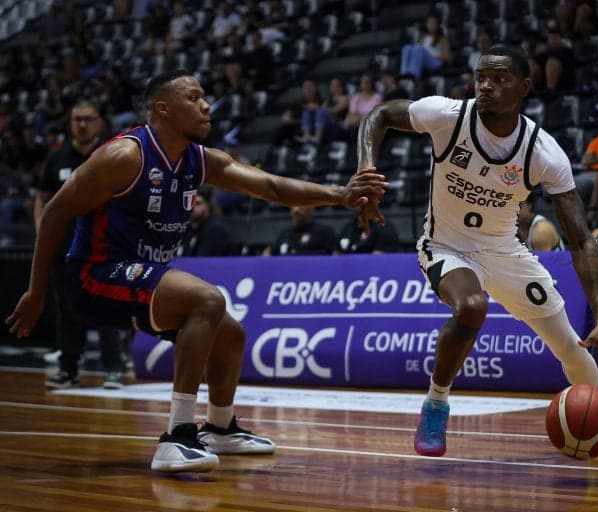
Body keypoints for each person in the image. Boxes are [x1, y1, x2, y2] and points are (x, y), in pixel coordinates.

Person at [5, 70, 386, 473]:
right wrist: (36, 291)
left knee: (230, 335)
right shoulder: (124, 156)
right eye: (194, 97)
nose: (207, 106)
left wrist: (340, 196)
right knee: (207, 299)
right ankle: (177, 436)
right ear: (163, 110)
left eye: (205, 97)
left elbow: (270, 187)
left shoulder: (198, 160)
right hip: (95, 277)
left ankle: (220, 429)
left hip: (142, 273)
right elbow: (54, 214)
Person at [354, 45, 598, 457]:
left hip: (506, 252)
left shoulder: (542, 151)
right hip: (446, 246)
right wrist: (366, 169)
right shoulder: (447, 116)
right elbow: (379, 114)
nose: (487, 85)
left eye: (500, 79)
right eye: (481, 78)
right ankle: (436, 404)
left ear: (524, 87)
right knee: (472, 306)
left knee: (568, 343)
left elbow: (581, 238)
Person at [35, 99, 128, 390]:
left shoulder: (113, 154)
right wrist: (42, 231)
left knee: (108, 307)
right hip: (64, 246)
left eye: (88, 119)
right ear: (70, 123)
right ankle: (69, 369)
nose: (83, 124)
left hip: (104, 246)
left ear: (99, 121)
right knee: (67, 308)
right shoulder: (57, 157)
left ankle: (113, 367)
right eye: (77, 119)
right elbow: (42, 198)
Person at [178, 185, 233, 256]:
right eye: (190, 204)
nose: (192, 208)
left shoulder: (215, 229)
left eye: (198, 204)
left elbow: (203, 260)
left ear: (208, 205)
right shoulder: (186, 227)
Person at [263, 205, 338, 256]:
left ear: (311, 209)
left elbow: (336, 255)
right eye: (293, 205)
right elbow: (269, 251)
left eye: (300, 205)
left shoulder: (324, 232)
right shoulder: (285, 233)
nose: (296, 210)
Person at [399, 15, 452, 80]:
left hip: (436, 62)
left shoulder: (442, 39)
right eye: (429, 23)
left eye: (433, 23)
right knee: (407, 48)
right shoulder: (423, 38)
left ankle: (413, 75)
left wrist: (431, 55)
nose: (430, 25)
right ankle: (404, 74)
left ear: (437, 25)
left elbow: (448, 58)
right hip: (425, 61)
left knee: (419, 48)